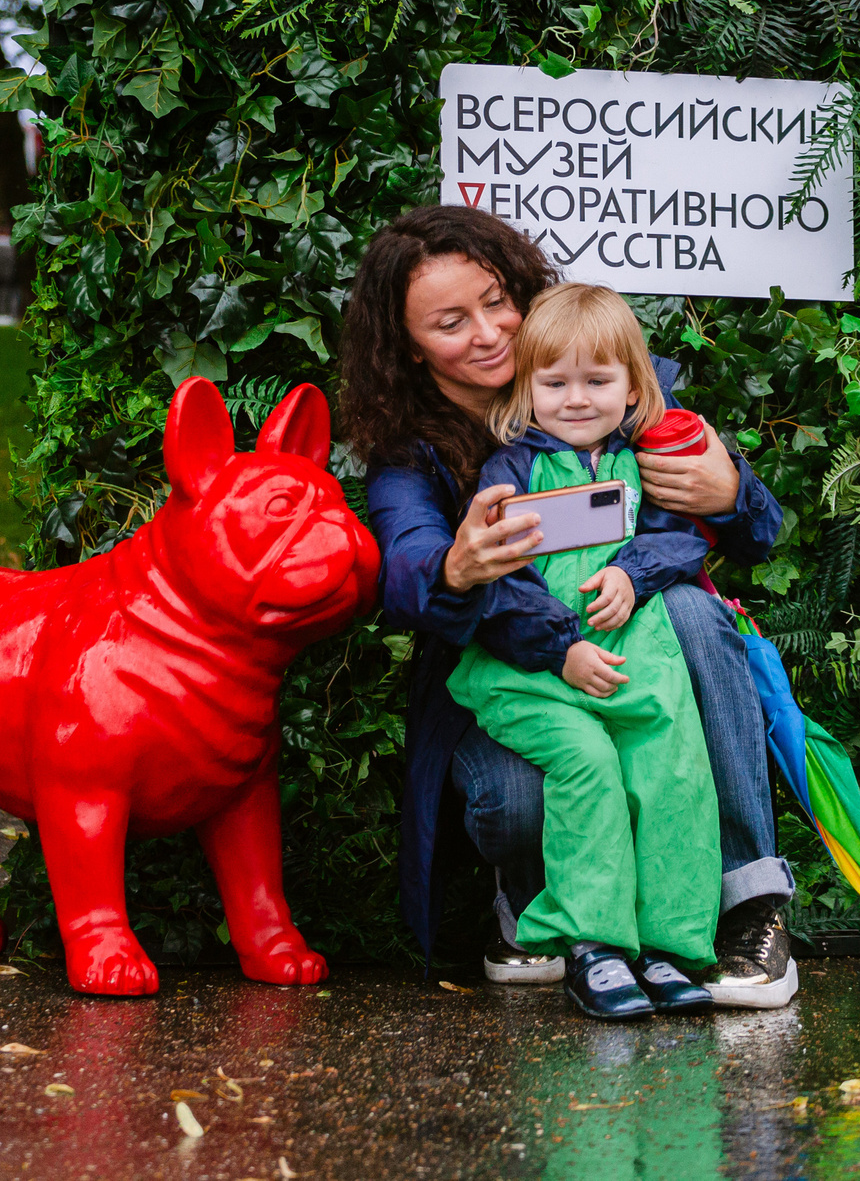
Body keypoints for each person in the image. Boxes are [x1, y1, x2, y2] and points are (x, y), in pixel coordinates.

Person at [341, 205, 800, 1007]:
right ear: (409, 347)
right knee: (524, 797)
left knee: (693, 619)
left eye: (494, 301)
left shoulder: (608, 378)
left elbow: (750, 531)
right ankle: (538, 900)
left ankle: (747, 905)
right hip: (516, 664)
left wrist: (732, 492)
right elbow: (405, 565)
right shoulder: (412, 450)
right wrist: (456, 565)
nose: (487, 333)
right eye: (451, 322)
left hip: (631, 639)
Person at [448, 283, 722, 1019]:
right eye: (554, 381)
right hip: (532, 672)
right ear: (526, 386)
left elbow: (680, 534)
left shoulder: (646, 456)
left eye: (596, 380)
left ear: (633, 383)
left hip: (631, 660)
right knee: (589, 764)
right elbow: (501, 585)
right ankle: (594, 944)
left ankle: (668, 945)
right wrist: (562, 646)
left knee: (673, 764)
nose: (575, 398)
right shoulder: (513, 469)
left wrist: (633, 575)